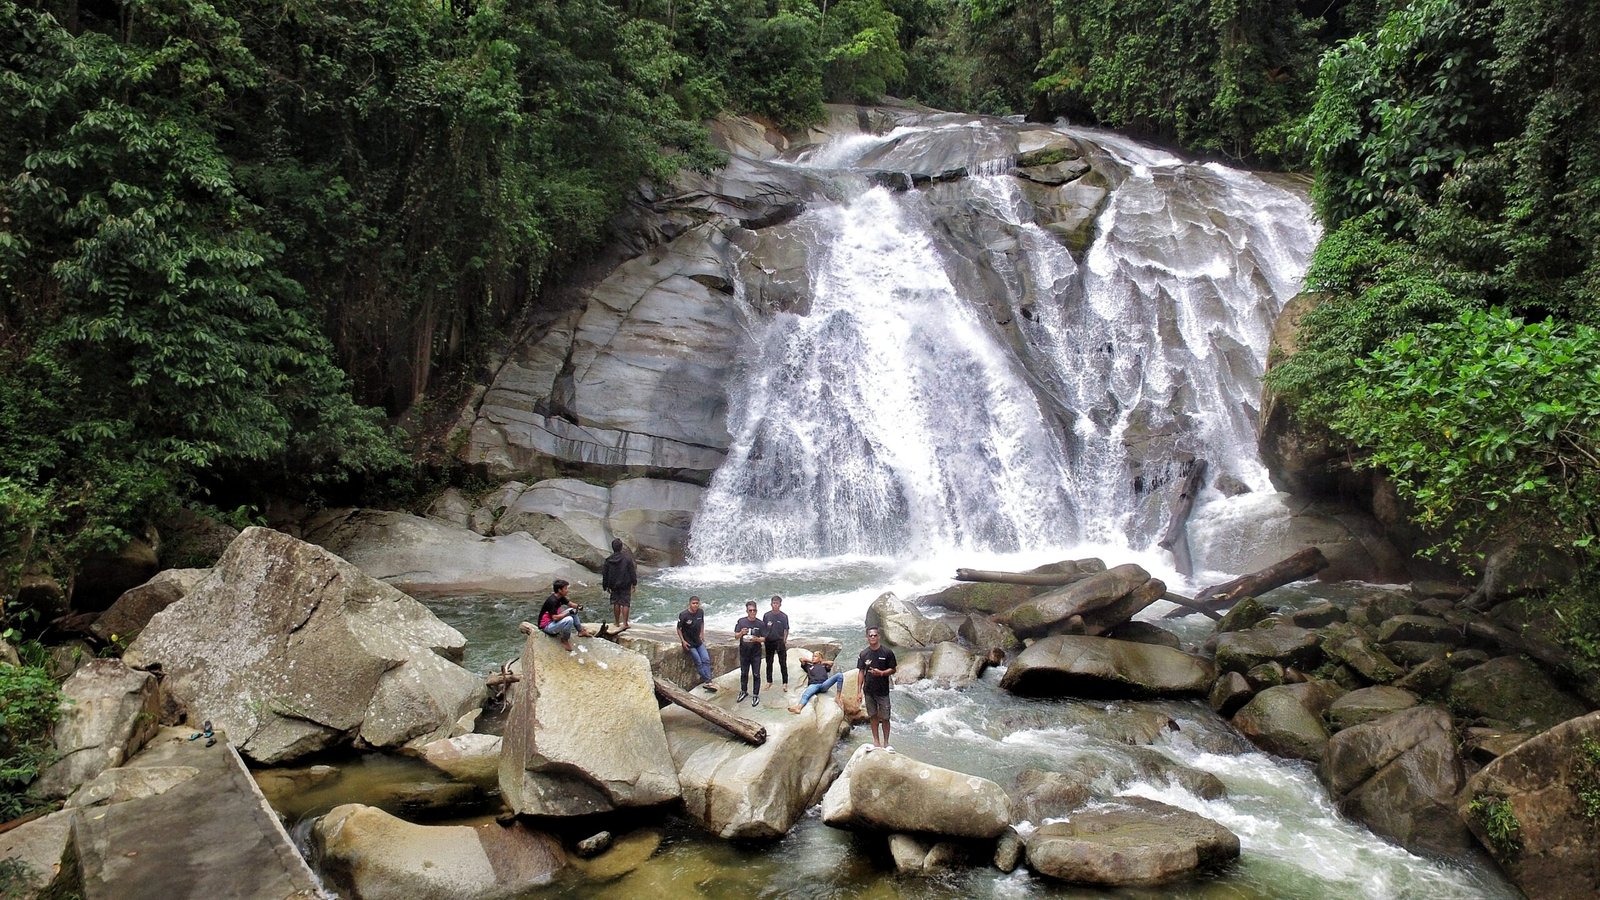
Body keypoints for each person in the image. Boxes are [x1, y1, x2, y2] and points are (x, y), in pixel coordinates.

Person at [856, 626, 897, 749]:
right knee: (873, 716)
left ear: (878, 636)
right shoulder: (863, 654)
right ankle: (876, 742)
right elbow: (861, 672)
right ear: (867, 637)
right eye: (870, 635)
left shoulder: (887, 652)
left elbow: (893, 669)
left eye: (875, 635)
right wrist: (858, 691)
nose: (873, 637)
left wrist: (882, 673)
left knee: (885, 718)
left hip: (883, 691)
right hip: (868, 691)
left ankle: (886, 743)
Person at [677, 595, 717, 692]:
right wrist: (683, 641)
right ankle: (708, 681)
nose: (695, 605)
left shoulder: (700, 612)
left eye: (697, 603)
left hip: (698, 641)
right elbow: (678, 628)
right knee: (698, 661)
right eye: (693, 603)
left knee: (706, 659)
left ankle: (708, 682)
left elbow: (702, 623)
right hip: (689, 643)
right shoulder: (683, 615)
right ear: (689, 604)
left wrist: (702, 634)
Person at [538, 579, 591, 651]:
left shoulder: (560, 597)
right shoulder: (552, 601)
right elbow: (555, 618)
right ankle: (565, 639)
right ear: (559, 590)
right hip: (547, 626)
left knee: (573, 610)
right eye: (565, 588)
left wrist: (579, 607)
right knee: (569, 619)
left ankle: (580, 631)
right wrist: (568, 613)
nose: (567, 590)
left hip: (553, 622)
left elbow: (571, 604)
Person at [601, 538, 638, 631]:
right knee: (625, 603)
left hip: (613, 584)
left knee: (616, 602)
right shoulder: (627, 559)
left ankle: (617, 622)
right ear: (621, 547)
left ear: (613, 548)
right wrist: (634, 583)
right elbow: (632, 571)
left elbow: (605, 573)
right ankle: (625, 623)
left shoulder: (608, 560)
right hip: (625, 583)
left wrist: (605, 586)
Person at [734, 600, 765, 706]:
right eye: (750, 610)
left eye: (754, 610)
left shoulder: (760, 623)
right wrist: (742, 633)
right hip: (744, 652)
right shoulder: (741, 621)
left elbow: (764, 638)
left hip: (756, 653)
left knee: (756, 674)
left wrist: (756, 639)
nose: (752, 612)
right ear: (747, 611)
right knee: (744, 673)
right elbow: (736, 636)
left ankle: (755, 694)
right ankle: (743, 691)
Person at [762, 594, 790, 691]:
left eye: (777, 603)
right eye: (774, 603)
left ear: (780, 605)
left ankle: (785, 682)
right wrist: (764, 638)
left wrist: (784, 640)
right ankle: (769, 681)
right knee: (769, 662)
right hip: (769, 641)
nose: (775, 605)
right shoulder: (766, 615)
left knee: (782, 662)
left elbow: (786, 629)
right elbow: (763, 628)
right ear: (771, 604)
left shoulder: (783, 616)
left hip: (779, 641)